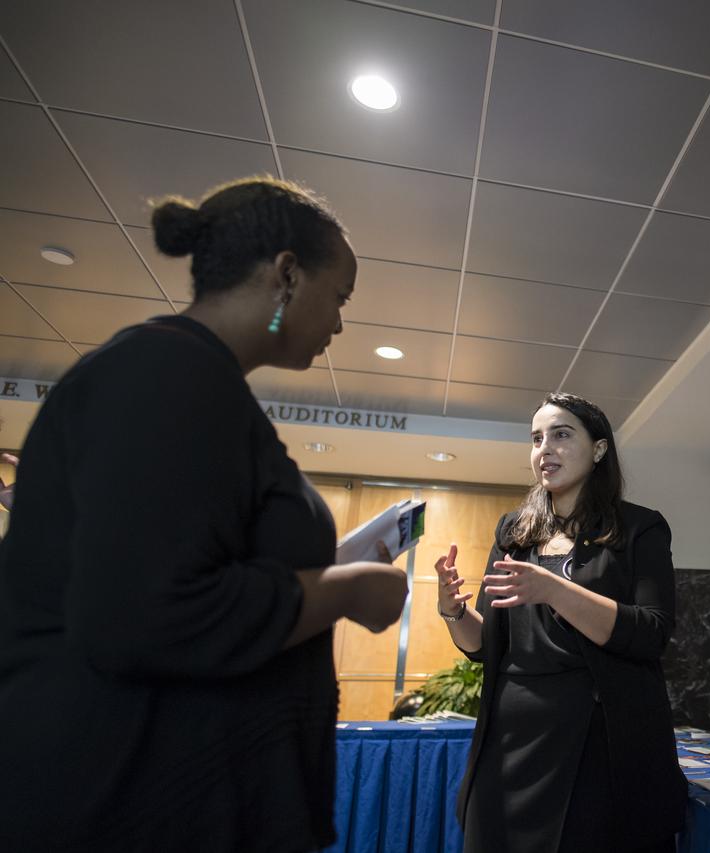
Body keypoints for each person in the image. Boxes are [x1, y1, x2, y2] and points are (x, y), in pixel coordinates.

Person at [0, 178, 408, 852]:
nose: (338, 323)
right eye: (339, 298)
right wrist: (346, 588)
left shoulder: (197, 382)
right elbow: (143, 613)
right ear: (285, 272)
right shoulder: (162, 373)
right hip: (128, 800)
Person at [436, 392, 685, 852]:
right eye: (536, 439)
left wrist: (555, 590)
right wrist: (453, 610)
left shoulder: (640, 529)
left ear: (599, 449)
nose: (544, 448)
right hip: (509, 749)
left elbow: (650, 633)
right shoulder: (513, 534)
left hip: (598, 748)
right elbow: (485, 645)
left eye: (561, 434)